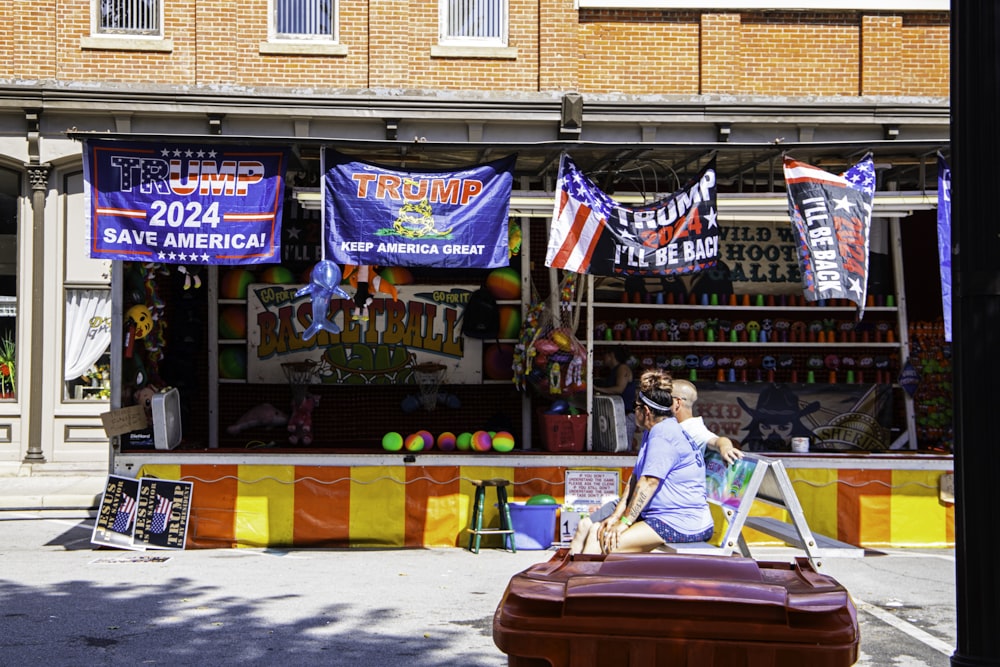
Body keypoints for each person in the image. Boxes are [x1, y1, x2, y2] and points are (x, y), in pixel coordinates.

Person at [569, 369, 713, 555]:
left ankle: (584, 581)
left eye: (635, 406)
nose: (633, 410)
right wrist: (616, 516)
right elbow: (636, 479)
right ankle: (568, 577)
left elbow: (649, 483)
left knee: (601, 540)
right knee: (590, 528)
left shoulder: (663, 435)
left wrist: (625, 523)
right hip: (660, 515)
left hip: (681, 521)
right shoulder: (653, 431)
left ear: (645, 411)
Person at [670, 378, 744, 465]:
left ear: (677, 402)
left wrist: (726, 448)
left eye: (665, 398)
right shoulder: (675, 425)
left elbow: (717, 440)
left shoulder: (693, 429)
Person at [593, 345, 636, 449]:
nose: (603, 358)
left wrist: (597, 389)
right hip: (616, 415)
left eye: (605, 355)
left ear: (611, 355)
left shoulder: (622, 368)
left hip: (625, 415)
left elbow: (619, 389)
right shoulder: (613, 371)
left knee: (624, 448)